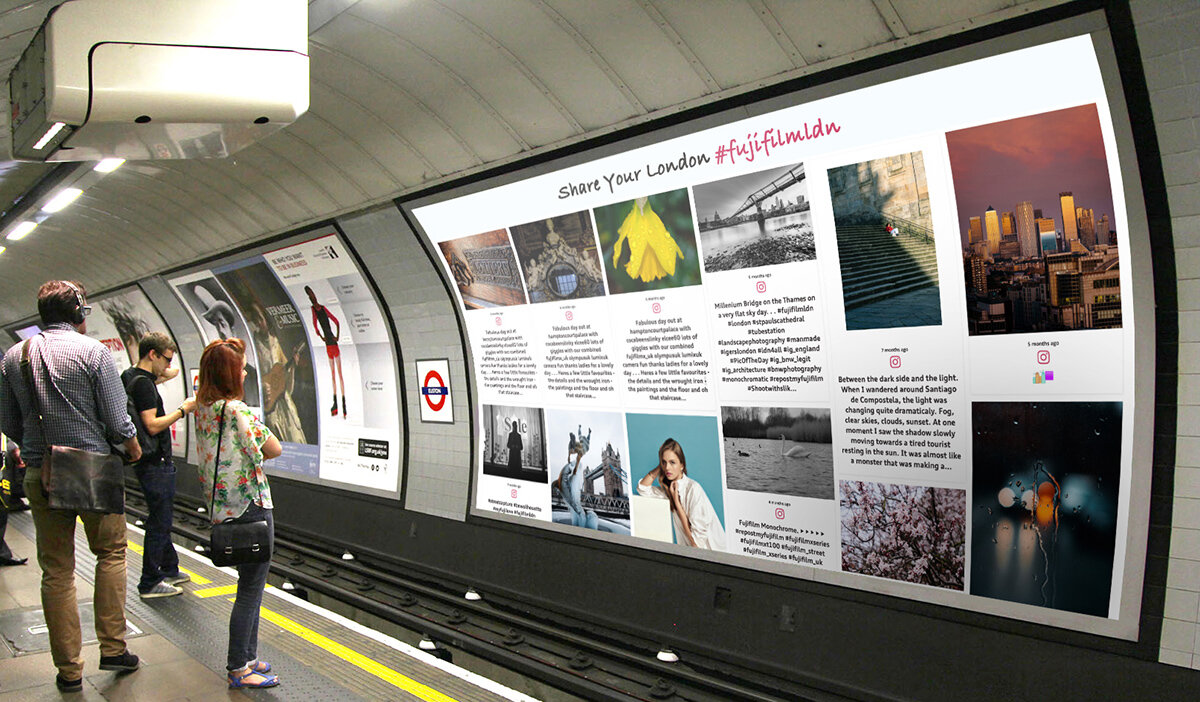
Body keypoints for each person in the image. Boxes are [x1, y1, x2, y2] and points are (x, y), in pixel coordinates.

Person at [0, 280, 143, 692]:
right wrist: (132, 448)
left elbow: (8, 421)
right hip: (91, 468)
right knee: (111, 553)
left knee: (57, 571)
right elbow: (117, 422)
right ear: (79, 313)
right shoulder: (94, 352)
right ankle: (113, 647)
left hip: (41, 471)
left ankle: (69, 670)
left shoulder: (14, 357)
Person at [193, 338, 281, 689]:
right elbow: (272, 448)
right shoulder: (236, 411)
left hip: (222, 508)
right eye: (240, 367)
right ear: (229, 375)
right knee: (250, 590)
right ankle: (238, 667)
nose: (244, 372)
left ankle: (248, 656)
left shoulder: (202, 408)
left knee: (250, 587)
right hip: (250, 506)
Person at [122, 332, 195, 599]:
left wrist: (163, 368)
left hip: (144, 461)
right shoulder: (144, 386)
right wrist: (183, 410)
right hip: (155, 462)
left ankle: (169, 567)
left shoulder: (130, 376)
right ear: (151, 354)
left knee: (160, 515)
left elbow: (172, 372)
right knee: (160, 521)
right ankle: (150, 581)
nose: (169, 365)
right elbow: (152, 425)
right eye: (165, 358)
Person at [637, 438, 726, 550]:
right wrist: (661, 465)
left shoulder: (693, 489)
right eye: (664, 462)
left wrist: (678, 505)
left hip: (713, 556)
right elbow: (643, 488)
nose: (667, 468)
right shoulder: (669, 489)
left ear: (682, 465)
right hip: (690, 554)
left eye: (672, 462)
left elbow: (697, 543)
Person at [304, 286, 345, 419]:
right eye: (310, 296)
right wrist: (328, 336)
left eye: (312, 294)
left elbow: (334, 322)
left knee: (337, 375)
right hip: (330, 343)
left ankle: (340, 406)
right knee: (336, 375)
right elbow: (319, 325)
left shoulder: (320, 308)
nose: (312, 297)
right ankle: (338, 406)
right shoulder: (316, 309)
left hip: (330, 343)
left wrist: (329, 336)